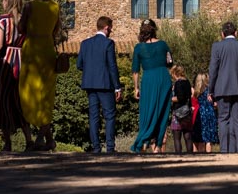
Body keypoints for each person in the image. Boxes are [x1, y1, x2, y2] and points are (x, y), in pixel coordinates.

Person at [19, 0, 63, 151]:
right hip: (47, 50)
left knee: (28, 94)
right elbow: (57, 30)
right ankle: (47, 139)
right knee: (46, 94)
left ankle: (36, 138)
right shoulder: (55, 6)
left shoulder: (29, 6)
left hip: (31, 50)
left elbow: (21, 28)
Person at [0, 0, 33, 152]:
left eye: (3, 0)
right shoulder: (25, 20)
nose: (2, 3)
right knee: (19, 99)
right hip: (21, 60)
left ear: (8, 2)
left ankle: (8, 142)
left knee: (3, 99)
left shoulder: (3, 20)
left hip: (6, 61)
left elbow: (0, 45)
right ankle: (29, 139)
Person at [207, 20, 238, 154]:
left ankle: (224, 150)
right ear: (236, 33)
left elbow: (213, 70)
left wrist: (210, 90)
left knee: (223, 119)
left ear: (222, 34)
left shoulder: (217, 47)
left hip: (222, 89)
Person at [76, 15, 121, 153]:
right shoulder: (108, 43)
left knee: (94, 116)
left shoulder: (85, 43)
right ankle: (110, 147)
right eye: (111, 29)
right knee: (109, 116)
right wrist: (117, 87)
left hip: (90, 84)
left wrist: (91, 71)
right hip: (105, 84)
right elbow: (112, 66)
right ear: (106, 27)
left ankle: (96, 148)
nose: (111, 32)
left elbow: (79, 65)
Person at [130, 18, 173, 153]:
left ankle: (143, 143)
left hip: (148, 79)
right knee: (162, 111)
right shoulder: (163, 44)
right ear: (154, 30)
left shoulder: (138, 48)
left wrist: (136, 88)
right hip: (163, 77)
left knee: (146, 111)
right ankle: (158, 146)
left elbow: (135, 70)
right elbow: (170, 62)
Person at [168, 65, 194, 153]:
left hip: (178, 112)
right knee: (188, 136)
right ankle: (190, 155)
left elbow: (180, 97)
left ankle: (179, 155)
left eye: (172, 74)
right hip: (187, 112)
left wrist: (170, 98)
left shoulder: (178, 83)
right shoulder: (187, 82)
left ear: (176, 73)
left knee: (177, 137)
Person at [192, 72, 217, 153]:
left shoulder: (196, 91)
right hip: (210, 112)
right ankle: (209, 154)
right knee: (208, 139)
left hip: (200, 113)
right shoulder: (210, 90)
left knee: (199, 137)